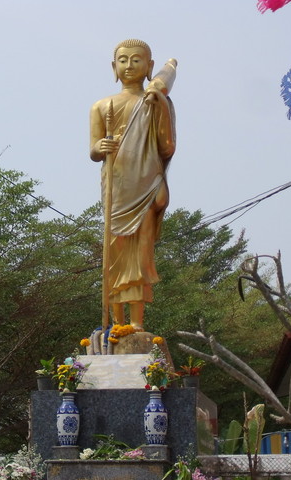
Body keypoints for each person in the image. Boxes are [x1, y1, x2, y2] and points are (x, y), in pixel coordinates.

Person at [89, 39, 176, 331]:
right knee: (114, 256)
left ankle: (136, 323)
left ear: (150, 67)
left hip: (146, 185)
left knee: (140, 255)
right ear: (113, 67)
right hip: (116, 188)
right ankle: (116, 323)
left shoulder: (155, 102)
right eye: (123, 60)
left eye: (136, 60)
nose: (129, 65)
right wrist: (100, 146)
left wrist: (160, 105)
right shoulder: (101, 106)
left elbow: (166, 146)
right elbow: (93, 150)